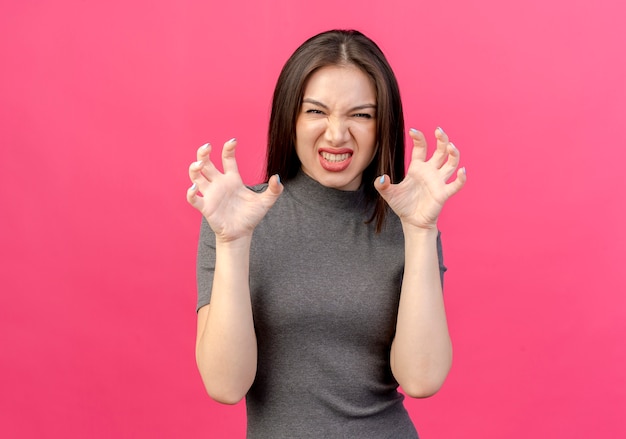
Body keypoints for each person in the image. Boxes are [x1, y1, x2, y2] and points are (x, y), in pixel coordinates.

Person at [186, 29, 466, 439]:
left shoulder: (408, 221)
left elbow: (422, 379)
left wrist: (421, 231)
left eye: (361, 114)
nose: (337, 134)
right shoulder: (236, 218)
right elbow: (225, 386)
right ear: (290, 117)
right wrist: (232, 243)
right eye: (316, 112)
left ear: (382, 124)